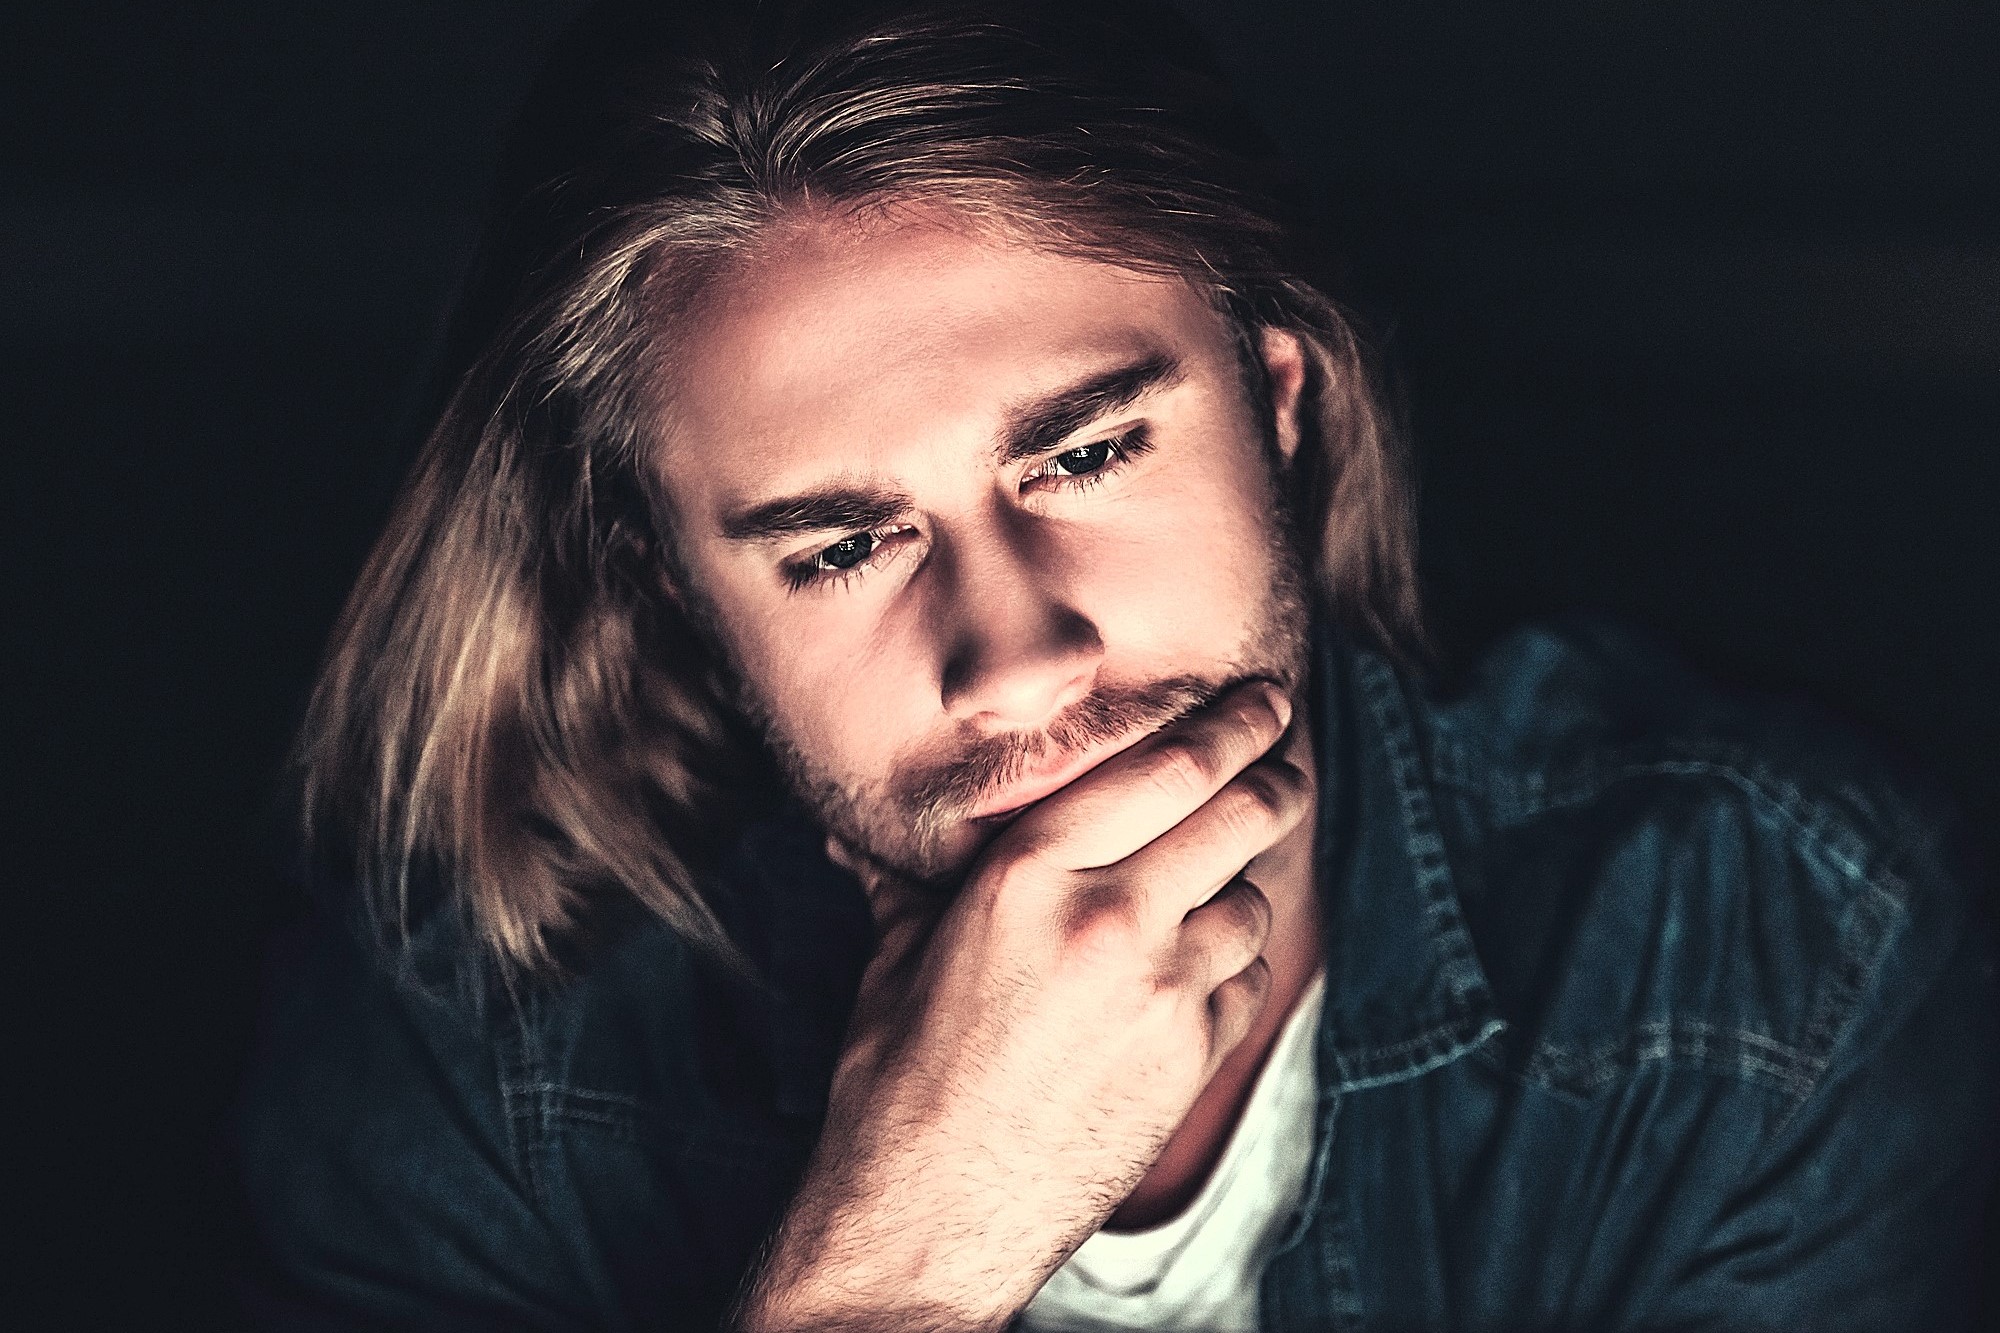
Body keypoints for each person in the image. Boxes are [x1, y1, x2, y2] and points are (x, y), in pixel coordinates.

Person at [234, 1, 1999, 1328]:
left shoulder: (1767, 945)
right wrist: (901, 1260)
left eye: (1085, 454)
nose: (1015, 650)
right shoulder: (466, 1057)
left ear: (1279, 408)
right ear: (675, 584)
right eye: (842, 544)